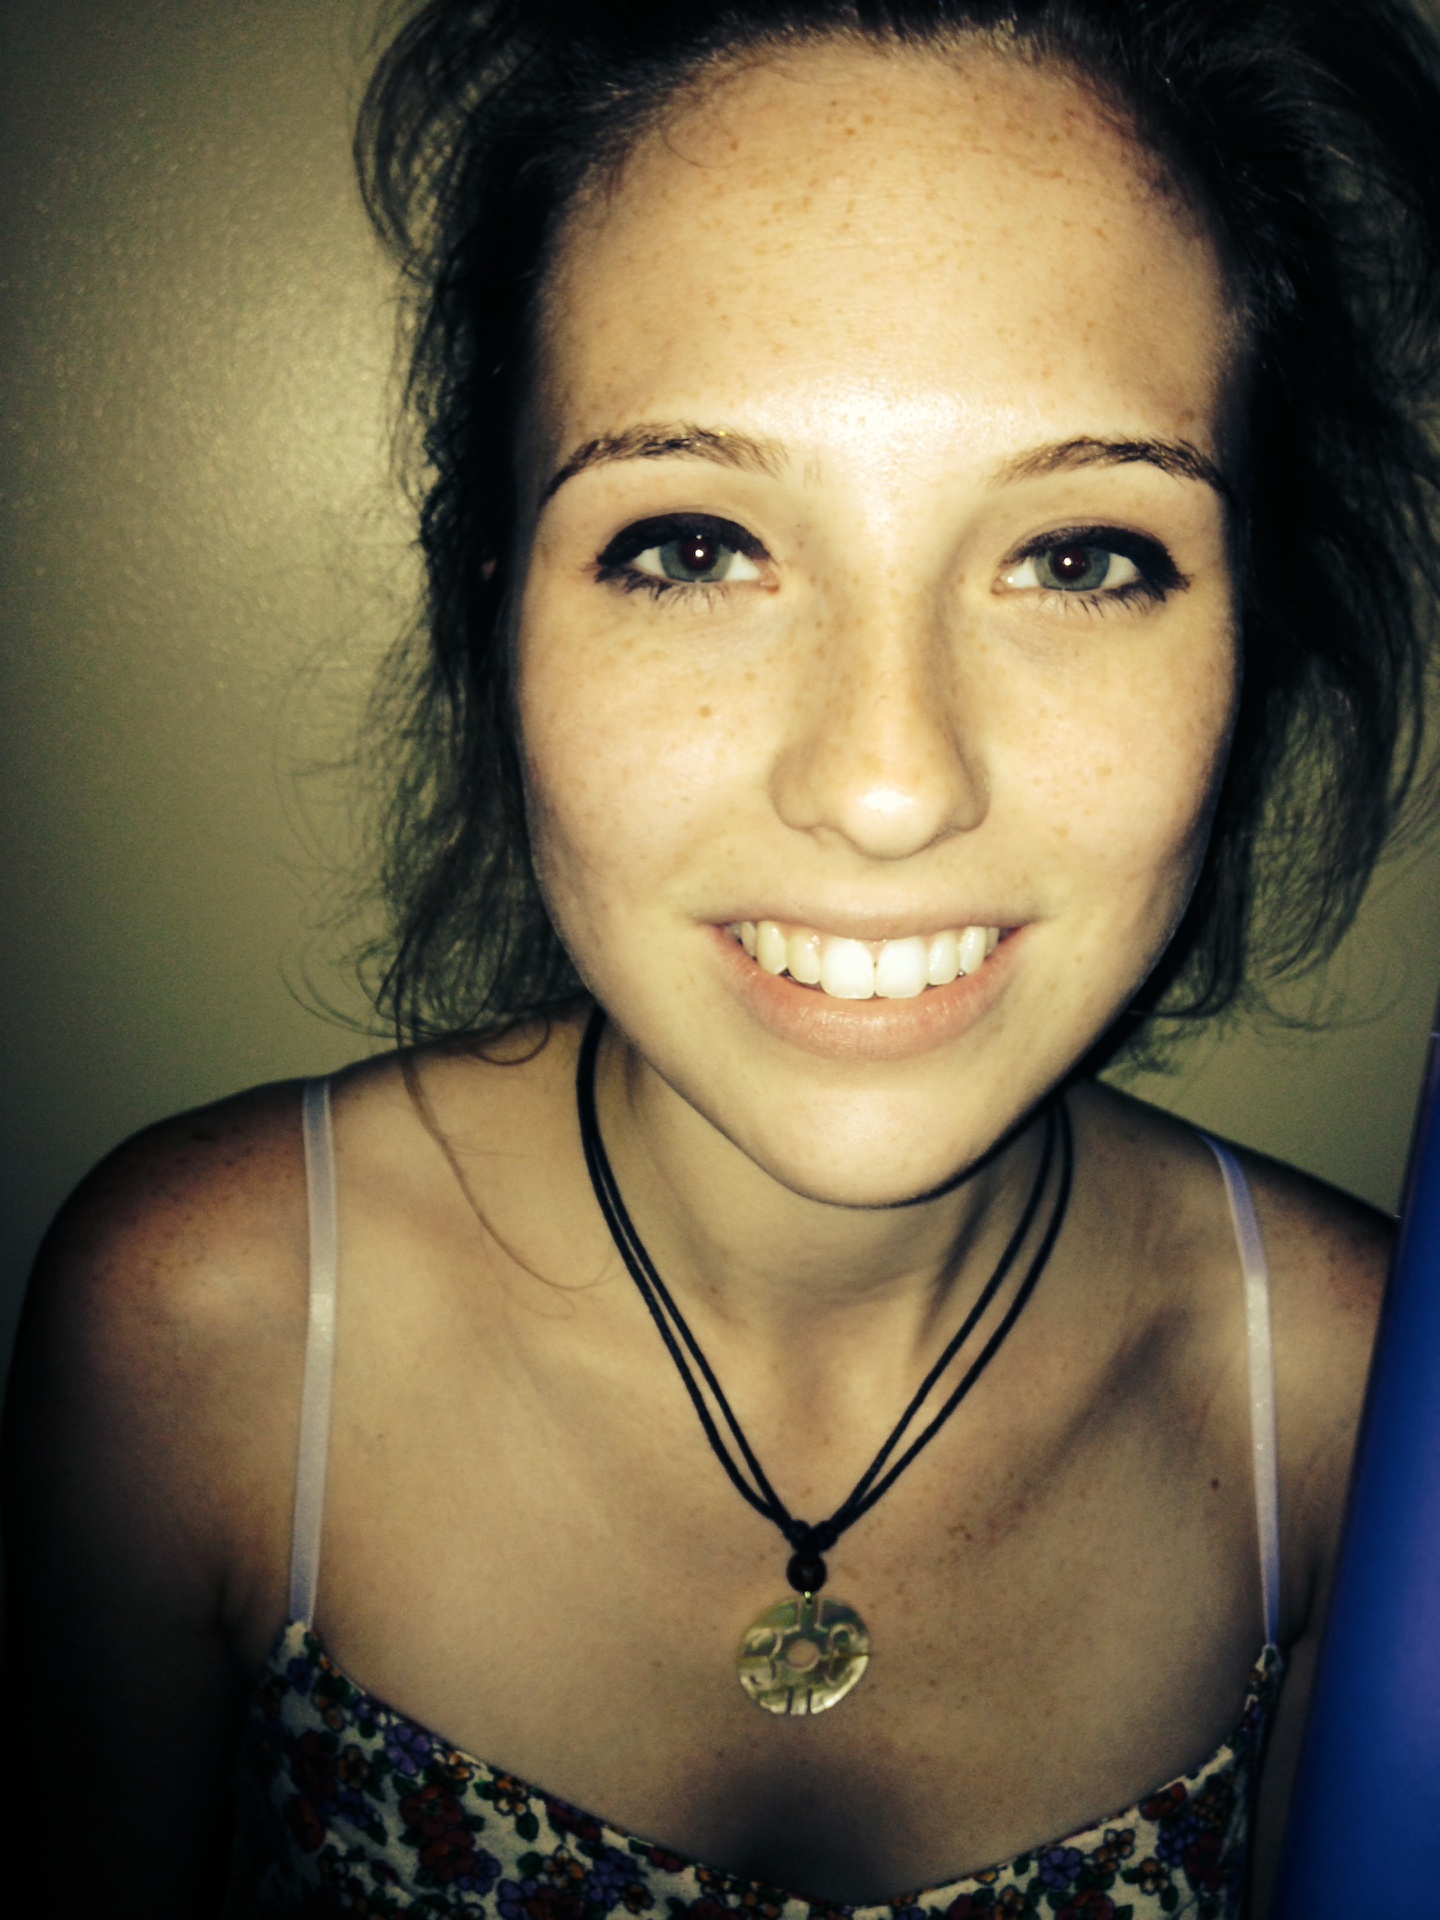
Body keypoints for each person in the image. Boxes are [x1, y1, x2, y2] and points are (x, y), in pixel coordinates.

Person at [6, 0, 1440, 1913]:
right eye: (692, 545)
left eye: (1080, 556)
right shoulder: (206, 1335)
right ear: (499, 610)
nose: (887, 784)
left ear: (1254, 640)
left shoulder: (1366, 1415)